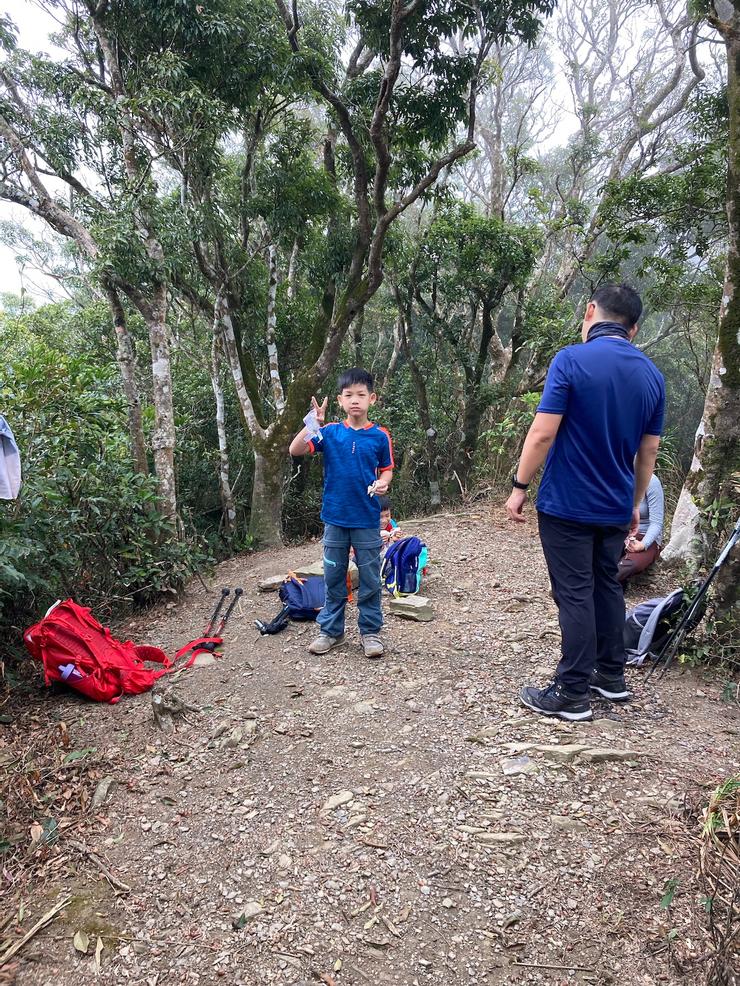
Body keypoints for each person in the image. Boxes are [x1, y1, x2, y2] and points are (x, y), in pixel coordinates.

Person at [506, 283, 665, 722]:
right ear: (633, 329)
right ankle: (610, 677)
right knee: (605, 586)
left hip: (568, 504)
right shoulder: (653, 376)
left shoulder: (571, 360)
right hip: (616, 505)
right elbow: (647, 454)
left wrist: (520, 485)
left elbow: (542, 433)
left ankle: (571, 692)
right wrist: (633, 503)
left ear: (591, 311)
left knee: (574, 592)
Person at [289, 367, 394, 659]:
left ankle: (370, 632)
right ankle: (331, 632)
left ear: (372, 398)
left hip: (366, 518)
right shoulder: (330, 432)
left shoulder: (379, 436)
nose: (355, 400)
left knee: (371, 577)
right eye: (349, 395)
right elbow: (295, 450)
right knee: (334, 577)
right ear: (340, 400)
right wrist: (313, 423)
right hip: (335, 518)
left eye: (361, 395)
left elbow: (387, 468)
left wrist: (383, 484)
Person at [617, 473, 664, 583]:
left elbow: (656, 523)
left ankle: (602, 582)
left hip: (645, 537)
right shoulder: (616, 476)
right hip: (620, 532)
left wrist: (643, 544)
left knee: (630, 565)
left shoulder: (651, 481)